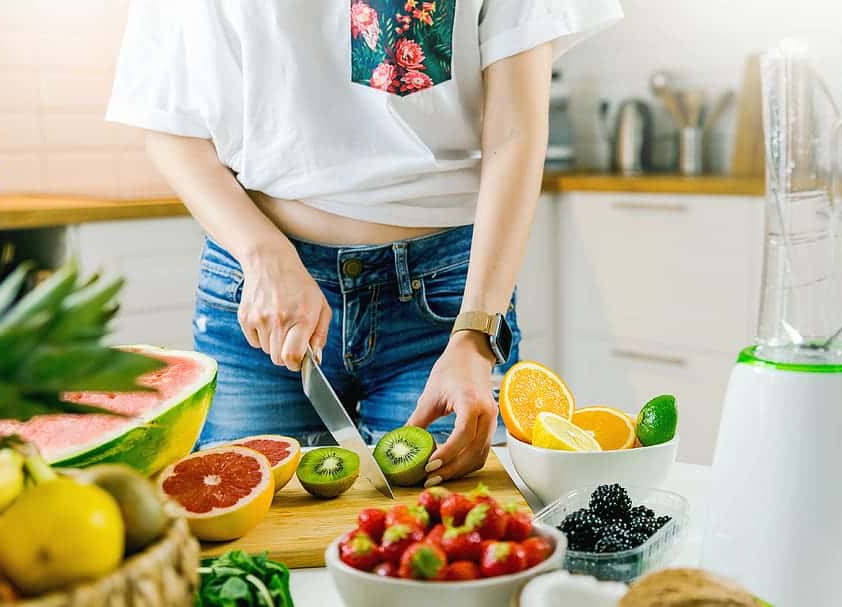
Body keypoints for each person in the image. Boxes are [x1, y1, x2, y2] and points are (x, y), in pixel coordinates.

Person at [106, 0, 622, 487]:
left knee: (443, 537)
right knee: (255, 535)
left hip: (446, 308)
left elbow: (515, 133)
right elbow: (169, 122)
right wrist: (265, 256)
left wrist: (476, 333)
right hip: (262, 298)